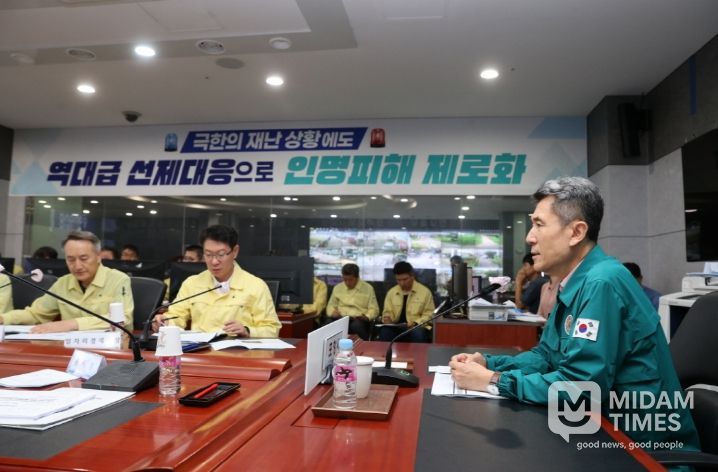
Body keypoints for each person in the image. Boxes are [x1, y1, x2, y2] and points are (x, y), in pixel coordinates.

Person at [449, 176, 699, 452]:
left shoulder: (602, 283)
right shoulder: (575, 282)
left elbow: (581, 389)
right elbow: (546, 356)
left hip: (643, 452)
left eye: (539, 224)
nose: (529, 237)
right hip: (600, 433)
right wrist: (490, 363)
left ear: (576, 232)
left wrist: (493, 381)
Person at [153, 225, 281, 338]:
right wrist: (165, 322)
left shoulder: (256, 286)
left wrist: (247, 331)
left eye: (221, 254)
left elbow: (272, 329)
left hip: (238, 353)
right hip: (200, 352)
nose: (214, 261)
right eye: (208, 254)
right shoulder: (192, 283)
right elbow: (176, 316)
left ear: (235, 251)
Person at [0, 230, 134, 333]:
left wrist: (72, 324)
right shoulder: (62, 283)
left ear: (98, 257)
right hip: (69, 349)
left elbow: (124, 319)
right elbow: (35, 313)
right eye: (71, 259)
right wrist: (4, 319)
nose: (77, 266)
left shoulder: (118, 279)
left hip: (109, 348)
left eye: (84, 258)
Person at [379, 261, 435, 343]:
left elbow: (429, 314)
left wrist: (415, 323)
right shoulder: (392, 292)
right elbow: (387, 311)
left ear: (412, 276)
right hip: (396, 327)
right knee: (385, 332)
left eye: (405, 279)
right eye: (398, 280)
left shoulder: (425, 292)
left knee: (417, 333)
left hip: (416, 326)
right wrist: (387, 319)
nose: (402, 283)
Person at [326, 263, 379, 340]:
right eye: (345, 280)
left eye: (350, 280)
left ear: (357, 277)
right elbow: (331, 305)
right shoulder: (338, 288)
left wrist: (367, 317)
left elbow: (374, 308)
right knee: (327, 324)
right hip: (340, 317)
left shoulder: (368, 288)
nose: (347, 283)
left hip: (358, 319)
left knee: (356, 326)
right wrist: (333, 312)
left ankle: (363, 345)